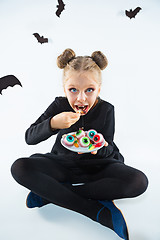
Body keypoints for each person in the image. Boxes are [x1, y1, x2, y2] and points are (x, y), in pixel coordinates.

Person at [11, 49, 148, 240]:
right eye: (73, 90)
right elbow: (29, 137)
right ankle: (95, 211)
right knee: (19, 167)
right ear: (64, 88)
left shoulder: (107, 109)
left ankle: (49, 195)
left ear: (98, 89)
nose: (81, 98)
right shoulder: (59, 106)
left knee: (139, 182)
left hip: (98, 168)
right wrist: (53, 123)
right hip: (62, 165)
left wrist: (99, 148)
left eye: (89, 90)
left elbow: (109, 150)